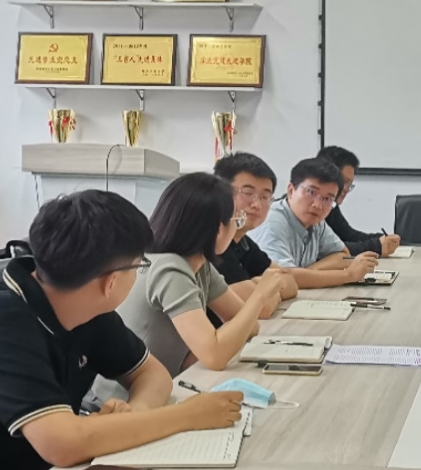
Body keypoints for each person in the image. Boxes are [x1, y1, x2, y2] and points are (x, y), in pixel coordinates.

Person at [0, 190, 244, 470]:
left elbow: (152, 373)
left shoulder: (84, 307)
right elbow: (62, 444)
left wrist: (133, 414)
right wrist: (187, 416)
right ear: (111, 282)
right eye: (138, 266)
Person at [92, 173, 285, 408]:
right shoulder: (168, 268)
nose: (238, 225)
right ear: (218, 229)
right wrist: (259, 296)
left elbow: (249, 327)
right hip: (123, 404)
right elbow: (215, 356)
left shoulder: (200, 266)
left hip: (164, 390)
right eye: (236, 218)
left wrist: (212, 343)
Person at [255, 157, 379, 288]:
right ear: (291, 190)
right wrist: (348, 275)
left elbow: (342, 255)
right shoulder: (272, 221)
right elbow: (283, 278)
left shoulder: (316, 221)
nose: (318, 205)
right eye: (311, 192)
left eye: (328, 199)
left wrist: (306, 273)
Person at [211, 152, 299, 305]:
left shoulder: (243, 242)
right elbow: (263, 307)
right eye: (248, 193)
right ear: (221, 193)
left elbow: (291, 284)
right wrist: (264, 288)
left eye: (265, 197)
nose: (257, 205)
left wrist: (258, 287)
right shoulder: (214, 243)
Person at [316, 146, 400, 257]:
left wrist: (382, 239)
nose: (346, 189)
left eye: (350, 185)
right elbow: (327, 249)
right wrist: (376, 246)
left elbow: (348, 235)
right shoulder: (311, 207)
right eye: (344, 181)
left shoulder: (330, 206)